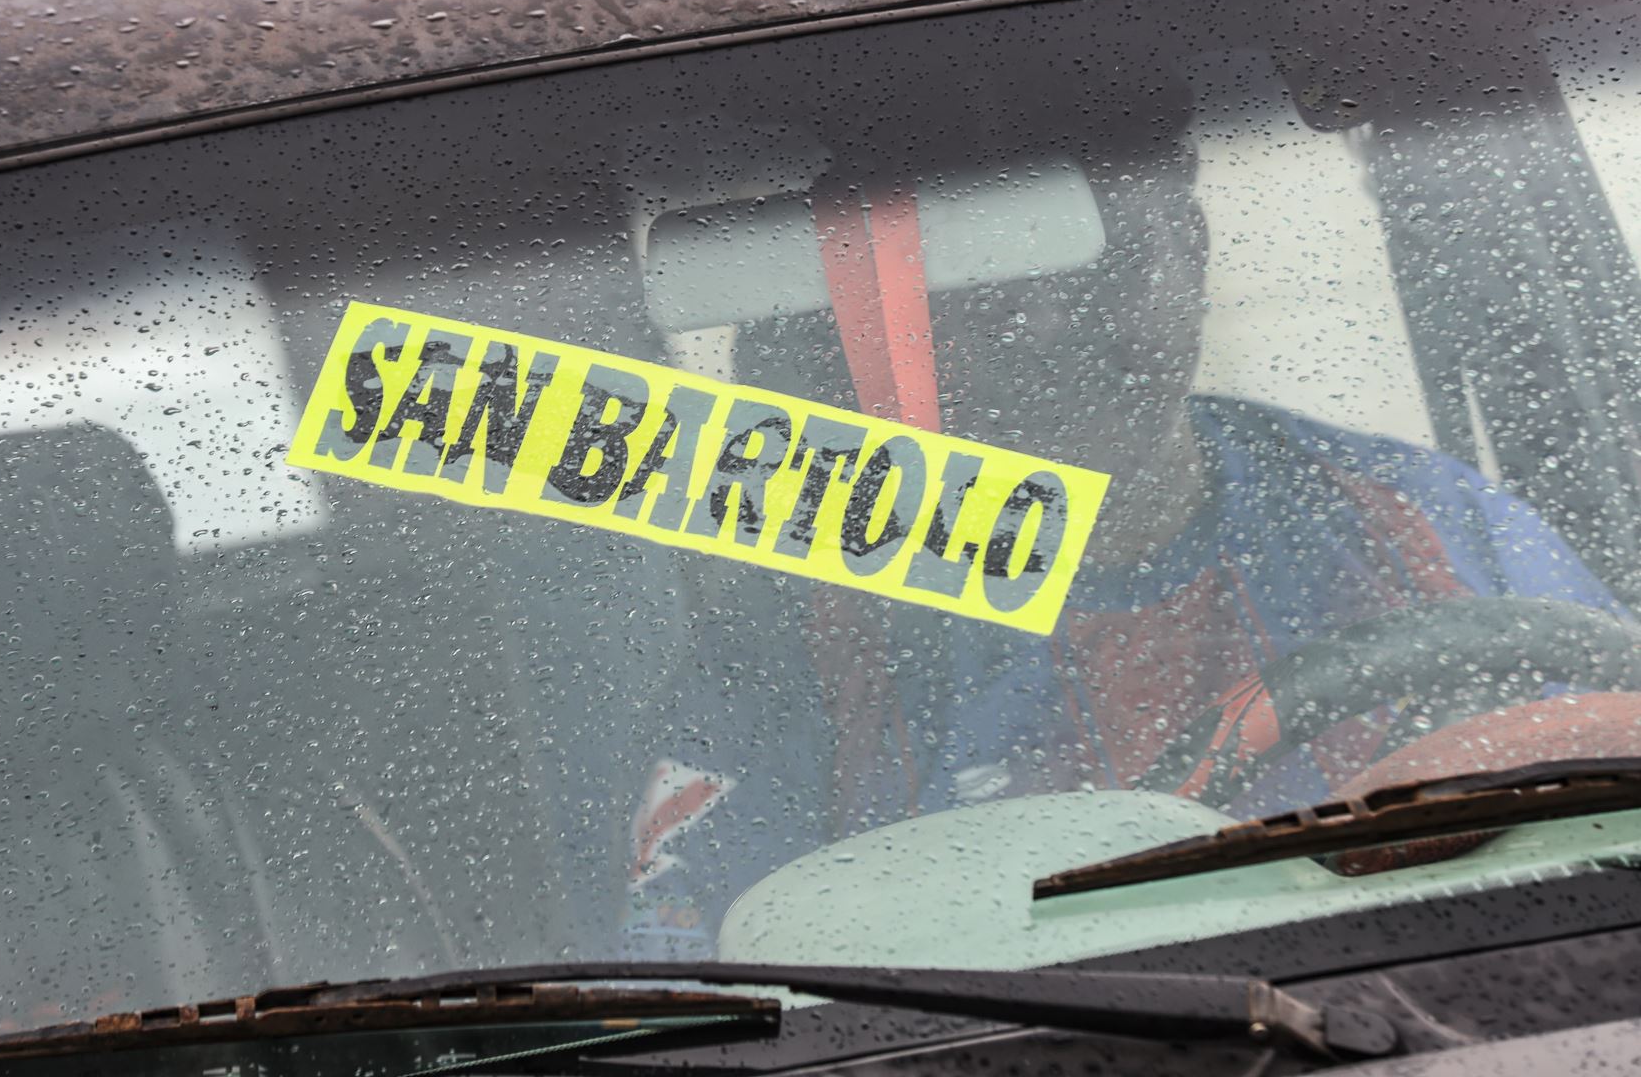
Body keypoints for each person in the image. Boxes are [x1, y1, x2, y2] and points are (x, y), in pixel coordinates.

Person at [613, 74, 1630, 958]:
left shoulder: (1420, 527)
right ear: (903, 311)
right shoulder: (805, 635)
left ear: (1188, 254)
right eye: (996, 280)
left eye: (1100, 266)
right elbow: (696, 994)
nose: (1052, 323)